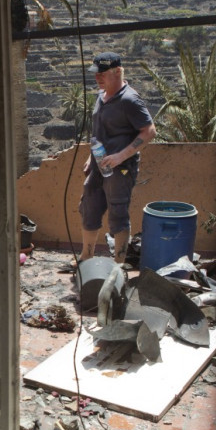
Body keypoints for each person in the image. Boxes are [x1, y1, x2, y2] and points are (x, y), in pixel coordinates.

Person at [76, 51, 156, 268]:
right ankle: (86, 257)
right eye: (96, 74)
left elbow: (149, 131)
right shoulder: (101, 97)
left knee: (118, 214)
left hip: (120, 169)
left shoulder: (129, 99)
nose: (97, 78)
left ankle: (118, 265)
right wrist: (89, 158)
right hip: (98, 166)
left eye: (102, 74)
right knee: (89, 208)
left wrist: (121, 156)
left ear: (118, 72)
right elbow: (100, 132)